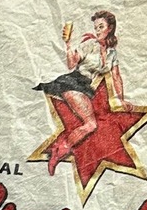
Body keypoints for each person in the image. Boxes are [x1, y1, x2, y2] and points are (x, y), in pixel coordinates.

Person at [33, 10, 134, 175]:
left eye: (101, 27)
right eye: (96, 27)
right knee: (91, 125)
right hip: (72, 82)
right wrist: (68, 44)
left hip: (85, 87)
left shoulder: (112, 53)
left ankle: (59, 150)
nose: (98, 31)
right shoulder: (89, 45)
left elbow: (116, 76)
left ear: (110, 28)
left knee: (91, 125)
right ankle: (58, 152)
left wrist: (121, 100)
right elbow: (72, 64)